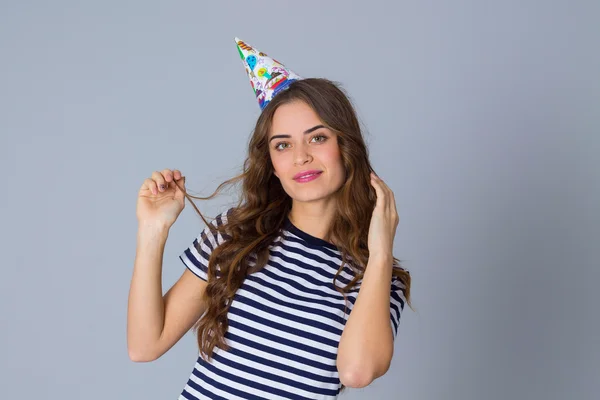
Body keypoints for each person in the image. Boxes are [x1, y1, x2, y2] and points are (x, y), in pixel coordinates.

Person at [127, 37, 412, 400]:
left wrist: (381, 252)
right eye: (283, 144)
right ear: (272, 164)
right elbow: (144, 346)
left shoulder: (379, 279)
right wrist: (153, 230)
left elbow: (357, 371)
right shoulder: (236, 233)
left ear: (346, 147)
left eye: (317, 138)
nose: (301, 157)